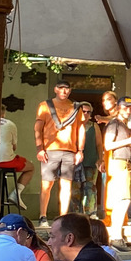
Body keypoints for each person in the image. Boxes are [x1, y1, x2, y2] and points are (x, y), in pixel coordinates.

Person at [34, 79, 84, 228]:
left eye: (66, 88)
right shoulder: (45, 106)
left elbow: (80, 129)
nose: (64, 91)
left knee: (66, 184)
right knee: (46, 184)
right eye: (61, 88)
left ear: (70, 90)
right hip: (50, 149)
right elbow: (38, 128)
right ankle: (43, 215)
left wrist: (80, 150)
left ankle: (63, 218)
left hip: (69, 150)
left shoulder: (76, 107)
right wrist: (40, 148)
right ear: (55, 89)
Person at [104, 97, 131, 248]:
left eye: (130, 107)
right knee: (123, 200)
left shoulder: (124, 125)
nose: (128, 110)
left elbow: (129, 147)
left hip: (125, 163)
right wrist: (130, 140)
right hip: (118, 163)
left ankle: (117, 235)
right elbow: (108, 145)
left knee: (122, 200)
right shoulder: (114, 124)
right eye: (126, 107)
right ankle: (116, 237)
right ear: (118, 107)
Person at [0, 104, 35, 211]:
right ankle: (16, 193)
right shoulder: (10, 124)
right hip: (5, 161)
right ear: (3, 114)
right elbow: (14, 147)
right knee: (31, 167)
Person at [70, 102, 104, 218]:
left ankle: (91, 213)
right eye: (83, 111)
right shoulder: (72, 125)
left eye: (88, 112)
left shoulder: (94, 126)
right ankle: (75, 214)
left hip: (91, 161)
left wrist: (100, 159)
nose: (85, 114)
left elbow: (99, 144)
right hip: (76, 163)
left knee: (90, 188)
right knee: (75, 190)